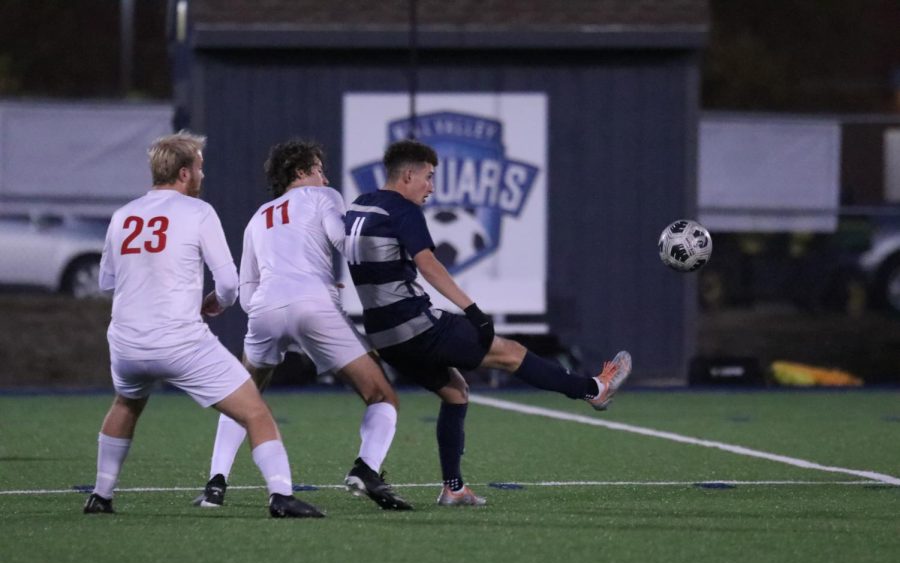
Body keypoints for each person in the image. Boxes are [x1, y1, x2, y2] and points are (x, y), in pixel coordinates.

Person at [344, 139, 632, 506]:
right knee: (509, 353)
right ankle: (593, 389)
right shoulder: (403, 210)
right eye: (429, 177)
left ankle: (453, 487)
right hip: (413, 324)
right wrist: (473, 310)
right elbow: (428, 265)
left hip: (384, 337)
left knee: (455, 392)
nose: (432, 187)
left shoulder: (359, 205)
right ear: (409, 174)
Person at [84, 131, 323, 519]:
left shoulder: (122, 215)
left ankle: (101, 495)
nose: (202, 174)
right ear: (183, 173)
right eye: (198, 167)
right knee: (256, 412)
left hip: (126, 342)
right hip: (179, 341)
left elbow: (107, 283)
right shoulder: (198, 212)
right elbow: (227, 283)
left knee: (126, 403)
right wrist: (217, 302)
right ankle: (281, 496)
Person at [192, 139, 411, 511]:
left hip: (263, 311)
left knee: (243, 398)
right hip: (314, 305)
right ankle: (367, 469)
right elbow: (345, 242)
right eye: (319, 169)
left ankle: (215, 485)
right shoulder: (323, 198)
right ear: (300, 172)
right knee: (381, 395)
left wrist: (276, 304)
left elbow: (247, 292)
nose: (325, 178)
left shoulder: (258, 217)